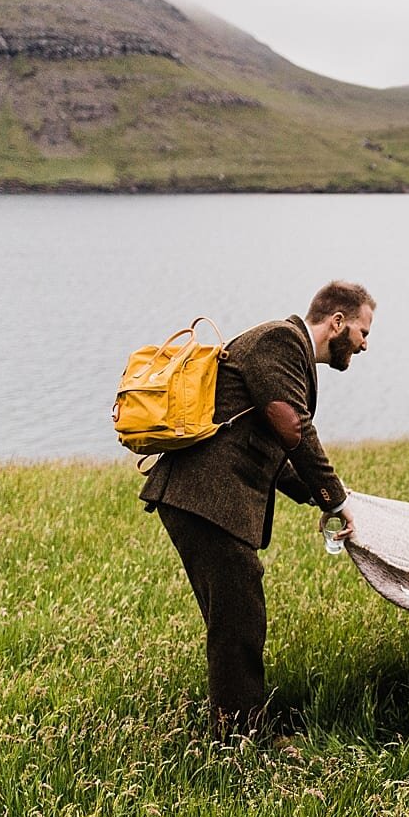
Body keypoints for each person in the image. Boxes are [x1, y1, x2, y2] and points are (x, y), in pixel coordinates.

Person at [140, 280, 375, 737]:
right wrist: (335, 498)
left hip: (199, 498)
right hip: (201, 497)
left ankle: (236, 723)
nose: (366, 344)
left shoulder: (287, 354)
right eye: (364, 332)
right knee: (239, 619)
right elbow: (292, 428)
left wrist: (320, 494)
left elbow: (270, 448)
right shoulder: (281, 340)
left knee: (233, 619)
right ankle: (242, 739)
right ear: (338, 322)